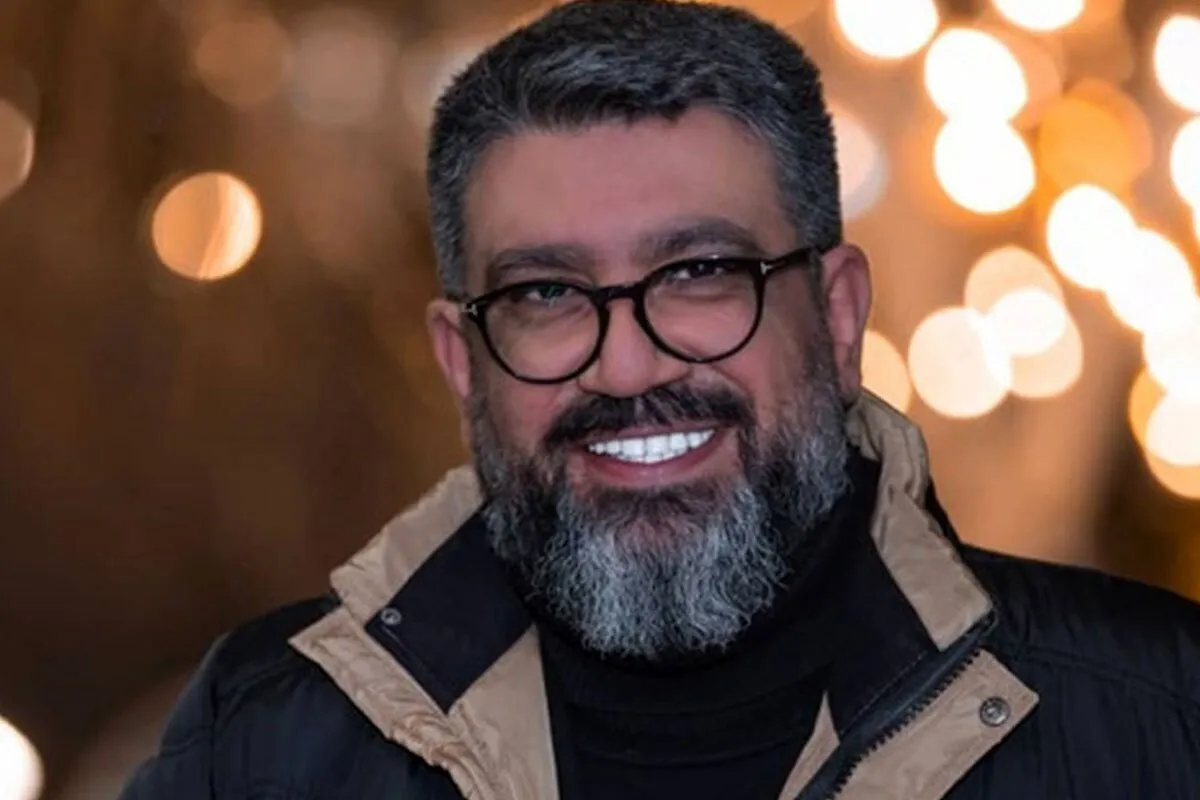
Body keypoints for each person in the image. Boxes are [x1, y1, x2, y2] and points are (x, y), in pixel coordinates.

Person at [122, 1, 1200, 797]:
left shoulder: (1158, 715)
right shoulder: (259, 742)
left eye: (699, 274)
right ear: (462, 359)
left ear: (837, 316)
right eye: (547, 293)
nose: (629, 369)